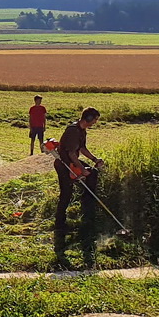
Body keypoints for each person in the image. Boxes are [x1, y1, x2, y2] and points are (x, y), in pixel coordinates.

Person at [53, 106, 103, 265]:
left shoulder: (82, 131)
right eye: (94, 120)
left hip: (72, 161)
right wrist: (81, 169)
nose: (95, 122)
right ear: (88, 119)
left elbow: (82, 149)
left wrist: (94, 160)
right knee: (66, 194)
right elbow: (71, 154)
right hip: (64, 164)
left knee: (93, 173)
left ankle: (87, 206)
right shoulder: (73, 131)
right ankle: (59, 224)